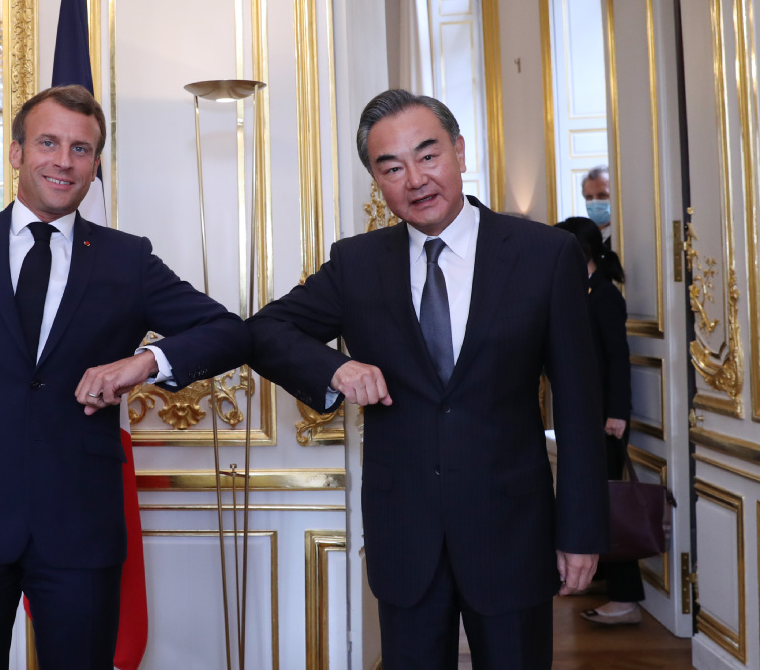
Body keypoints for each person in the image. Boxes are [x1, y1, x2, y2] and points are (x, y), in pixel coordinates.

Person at [0, 85, 249, 670]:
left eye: (80, 149)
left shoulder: (127, 259)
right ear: (16, 152)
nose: (64, 161)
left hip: (82, 527)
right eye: (48, 143)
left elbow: (228, 331)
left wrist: (145, 362)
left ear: (95, 165)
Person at [249, 89, 608, 669]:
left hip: (511, 532)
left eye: (428, 155)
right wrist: (335, 367)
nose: (415, 179)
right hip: (405, 536)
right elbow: (265, 330)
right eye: (391, 167)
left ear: (459, 152)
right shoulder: (357, 263)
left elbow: (579, 405)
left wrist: (582, 531)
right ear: (377, 181)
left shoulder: (545, 254)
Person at [554, 216, 642, 626]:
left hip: (607, 418)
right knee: (592, 497)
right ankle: (600, 576)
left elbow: (618, 358)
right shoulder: (582, 290)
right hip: (588, 415)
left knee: (609, 505)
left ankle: (625, 597)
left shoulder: (605, 295)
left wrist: (617, 412)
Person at [581, 165, 612, 246]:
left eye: (602, 195)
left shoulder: (624, 236)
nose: (595, 202)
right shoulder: (581, 237)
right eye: (589, 197)